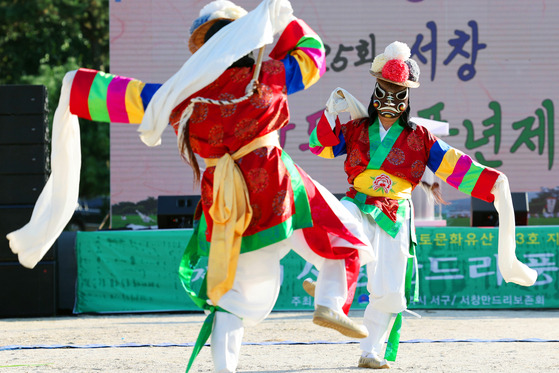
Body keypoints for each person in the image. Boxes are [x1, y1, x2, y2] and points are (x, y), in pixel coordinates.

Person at [8, 1, 375, 372]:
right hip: (277, 188)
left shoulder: (180, 95)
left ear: (204, 48)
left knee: (234, 298)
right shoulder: (269, 76)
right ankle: (330, 299)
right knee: (344, 233)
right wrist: (283, 19)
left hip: (227, 205)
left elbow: (127, 97)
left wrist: (77, 87)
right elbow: (313, 56)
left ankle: (224, 369)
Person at [307, 41, 538, 369]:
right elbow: (321, 148)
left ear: (407, 99)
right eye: (384, 90)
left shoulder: (421, 139)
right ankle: (329, 296)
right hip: (358, 202)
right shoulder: (356, 129)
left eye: (398, 92)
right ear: (375, 92)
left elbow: (459, 168)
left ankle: (369, 350)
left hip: (395, 215)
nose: (389, 99)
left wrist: (493, 182)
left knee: (388, 290)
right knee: (345, 228)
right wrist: (330, 112)